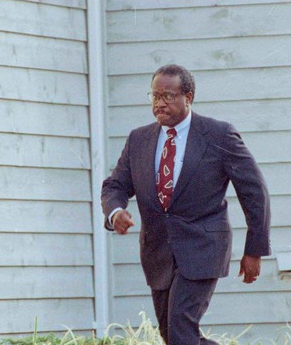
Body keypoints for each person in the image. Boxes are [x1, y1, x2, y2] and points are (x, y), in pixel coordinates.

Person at [101, 64, 271, 345]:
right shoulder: (139, 140)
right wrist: (116, 211)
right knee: (172, 335)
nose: (159, 104)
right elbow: (115, 185)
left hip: (203, 249)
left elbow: (254, 192)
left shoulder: (218, 135)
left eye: (167, 96)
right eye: (155, 96)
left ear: (188, 97)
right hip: (158, 253)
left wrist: (254, 249)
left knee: (180, 330)